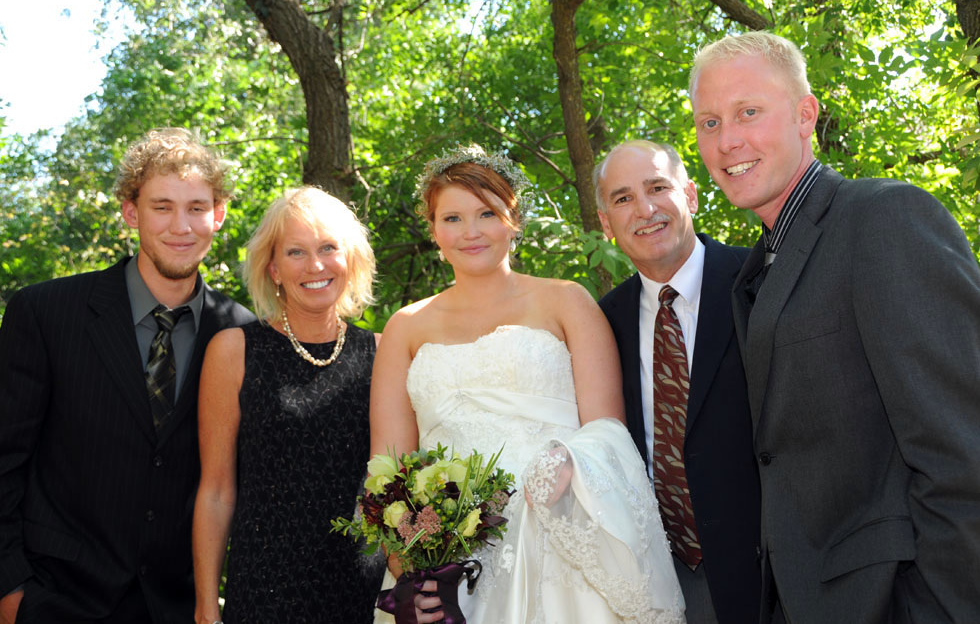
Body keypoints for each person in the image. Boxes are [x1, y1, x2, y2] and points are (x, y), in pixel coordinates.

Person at [689, 30, 980, 623]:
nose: (728, 140)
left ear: (804, 115)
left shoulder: (883, 218)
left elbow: (962, 454)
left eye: (748, 112)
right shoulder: (756, 269)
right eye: (709, 122)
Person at [370, 144, 685, 624]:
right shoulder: (405, 327)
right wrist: (411, 566)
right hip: (452, 565)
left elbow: (609, 431)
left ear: (513, 219)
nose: (470, 232)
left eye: (487, 213)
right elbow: (389, 467)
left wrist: (569, 460)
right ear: (433, 229)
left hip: (558, 541)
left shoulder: (566, 302)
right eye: (452, 218)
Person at [0, 128, 255, 623]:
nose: (181, 225)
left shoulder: (241, 333)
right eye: (162, 206)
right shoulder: (45, 313)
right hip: (53, 601)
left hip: (175, 608)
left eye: (197, 207)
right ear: (131, 212)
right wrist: (10, 590)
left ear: (218, 215)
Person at [192, 186, 382, 623]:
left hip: (361, 591)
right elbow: (217, 490)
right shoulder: (234, 350)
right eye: (296, 252)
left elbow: (394, 486)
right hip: (263, 591)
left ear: (350, 258)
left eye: (328, 248)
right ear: (274, 268)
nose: (315, 265)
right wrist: (206, 608)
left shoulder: (384, 352)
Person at [595, 140, 761, 624]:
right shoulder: (602, 323)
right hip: (659, 581)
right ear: (606, 223)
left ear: (689, 195)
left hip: (772, 571)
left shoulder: (758, 283)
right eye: (623, 198)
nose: (644, 209)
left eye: (657, 187)